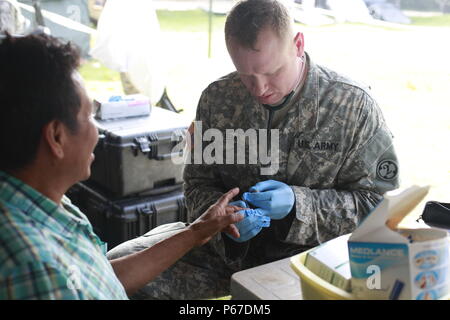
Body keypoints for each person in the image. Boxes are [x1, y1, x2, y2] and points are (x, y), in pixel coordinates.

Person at [107, 0, 400, 299]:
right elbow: (197, 184)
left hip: (310, 259)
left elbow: (377, 206)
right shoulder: (218, 99)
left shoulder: (352, 105)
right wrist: (226, 222)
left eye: (272, 73)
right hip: (225, 252)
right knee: (112, 276)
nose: (260, 89)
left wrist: (299, 205)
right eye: (246, 76)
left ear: (298, 45)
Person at [0, 32, 243, 300]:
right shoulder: (39, 272)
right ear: (56, 137)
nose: (97, 132)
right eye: (88, 117)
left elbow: (101, 279)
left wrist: (196, 232)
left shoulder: (41, 202)